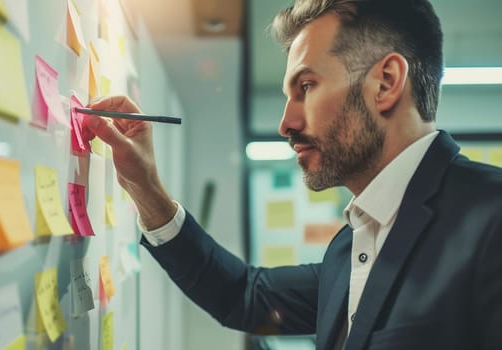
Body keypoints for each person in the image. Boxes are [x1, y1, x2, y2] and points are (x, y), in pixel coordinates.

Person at [83, 0, 502, 349]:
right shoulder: (350, 247)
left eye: (306, 87)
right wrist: (144, 186)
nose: (285, 122)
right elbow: (243, 297)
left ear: (386, 83)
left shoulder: (491, 217)